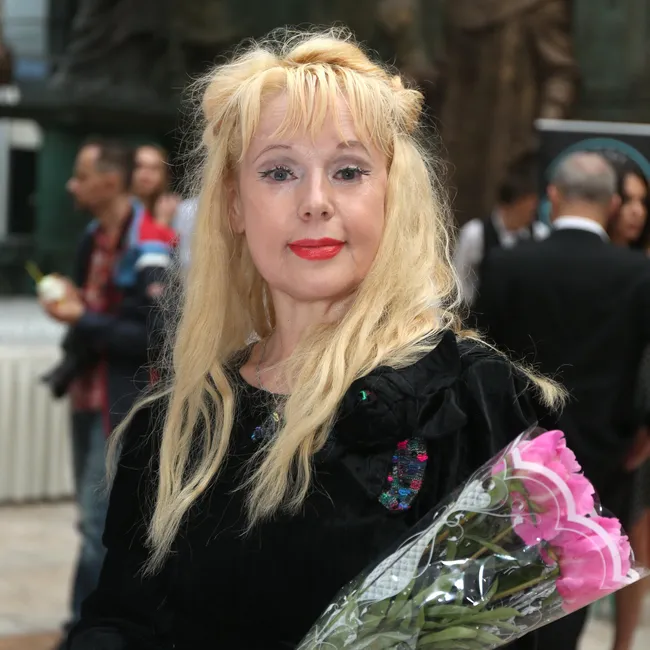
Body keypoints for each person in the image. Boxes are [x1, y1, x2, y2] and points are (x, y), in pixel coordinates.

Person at [67, 29, 562, 650]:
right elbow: (116, 620)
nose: (315, 202)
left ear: (393, 194)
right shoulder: (177, 425)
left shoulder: (471, 405)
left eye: (349, 171)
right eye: (279, 172)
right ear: (233, 204)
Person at [474, 152, 650, 650]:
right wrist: (643, 434)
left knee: (502, 583)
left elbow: (477, 357)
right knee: (574, 582)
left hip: (512, 449)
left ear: (552, 196)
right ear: (612, 204)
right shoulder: (638, 274)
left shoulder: (509, 264)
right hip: (600, 452)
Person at [39, 138, 176, 646]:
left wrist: (83, 317)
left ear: (110, 182)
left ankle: (88, 631)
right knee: (91, 519)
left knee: (102, 524)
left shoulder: (152, 245)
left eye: (81, 175)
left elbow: (155, 338)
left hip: (122, 404)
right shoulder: (92, 239)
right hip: (87, 394)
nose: (72, 185)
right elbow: (92, 314)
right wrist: (73, 309)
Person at [453, 151, 550, 306]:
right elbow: (461, 278)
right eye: (526, 209)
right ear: (508, 207)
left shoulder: (540, 234)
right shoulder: (476, 233)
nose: (531, 214)